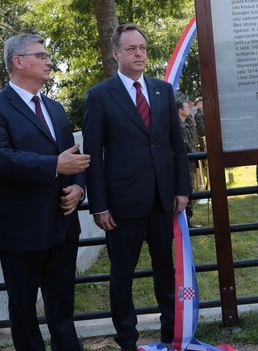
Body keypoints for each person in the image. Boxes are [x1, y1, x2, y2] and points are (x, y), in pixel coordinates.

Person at [0, 34, 88, 351]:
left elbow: (73, 158)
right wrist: (55, 165)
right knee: (23, 311)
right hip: (21, 228)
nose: (49, 61)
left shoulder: (55, 108)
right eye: (42, 55)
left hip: (63, 224)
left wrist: (78, 188)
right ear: (18, 62)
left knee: (62, 303)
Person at [83, 23, 191, 350]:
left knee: (165, 274)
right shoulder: (99, 96)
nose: (139, 53)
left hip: (162, 201)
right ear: (116, 54)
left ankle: (171, 336)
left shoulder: (162, 91)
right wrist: (99, 206)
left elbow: (176, 144)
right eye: (131, 49)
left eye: (142, 48)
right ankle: (127, 341)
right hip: (121, 207)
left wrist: (182, 189)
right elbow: (93, 155)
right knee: (121, 279)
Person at [178, 97, 200, 227]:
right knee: (187, 189)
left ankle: (188, 220)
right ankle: (186, 222)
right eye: (186, 107)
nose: (189, 109)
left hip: (190, 162)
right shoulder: (179, 126)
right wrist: (196, 155)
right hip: (185, 162)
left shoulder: (185, 123)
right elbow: (185, 145)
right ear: (180, 110)